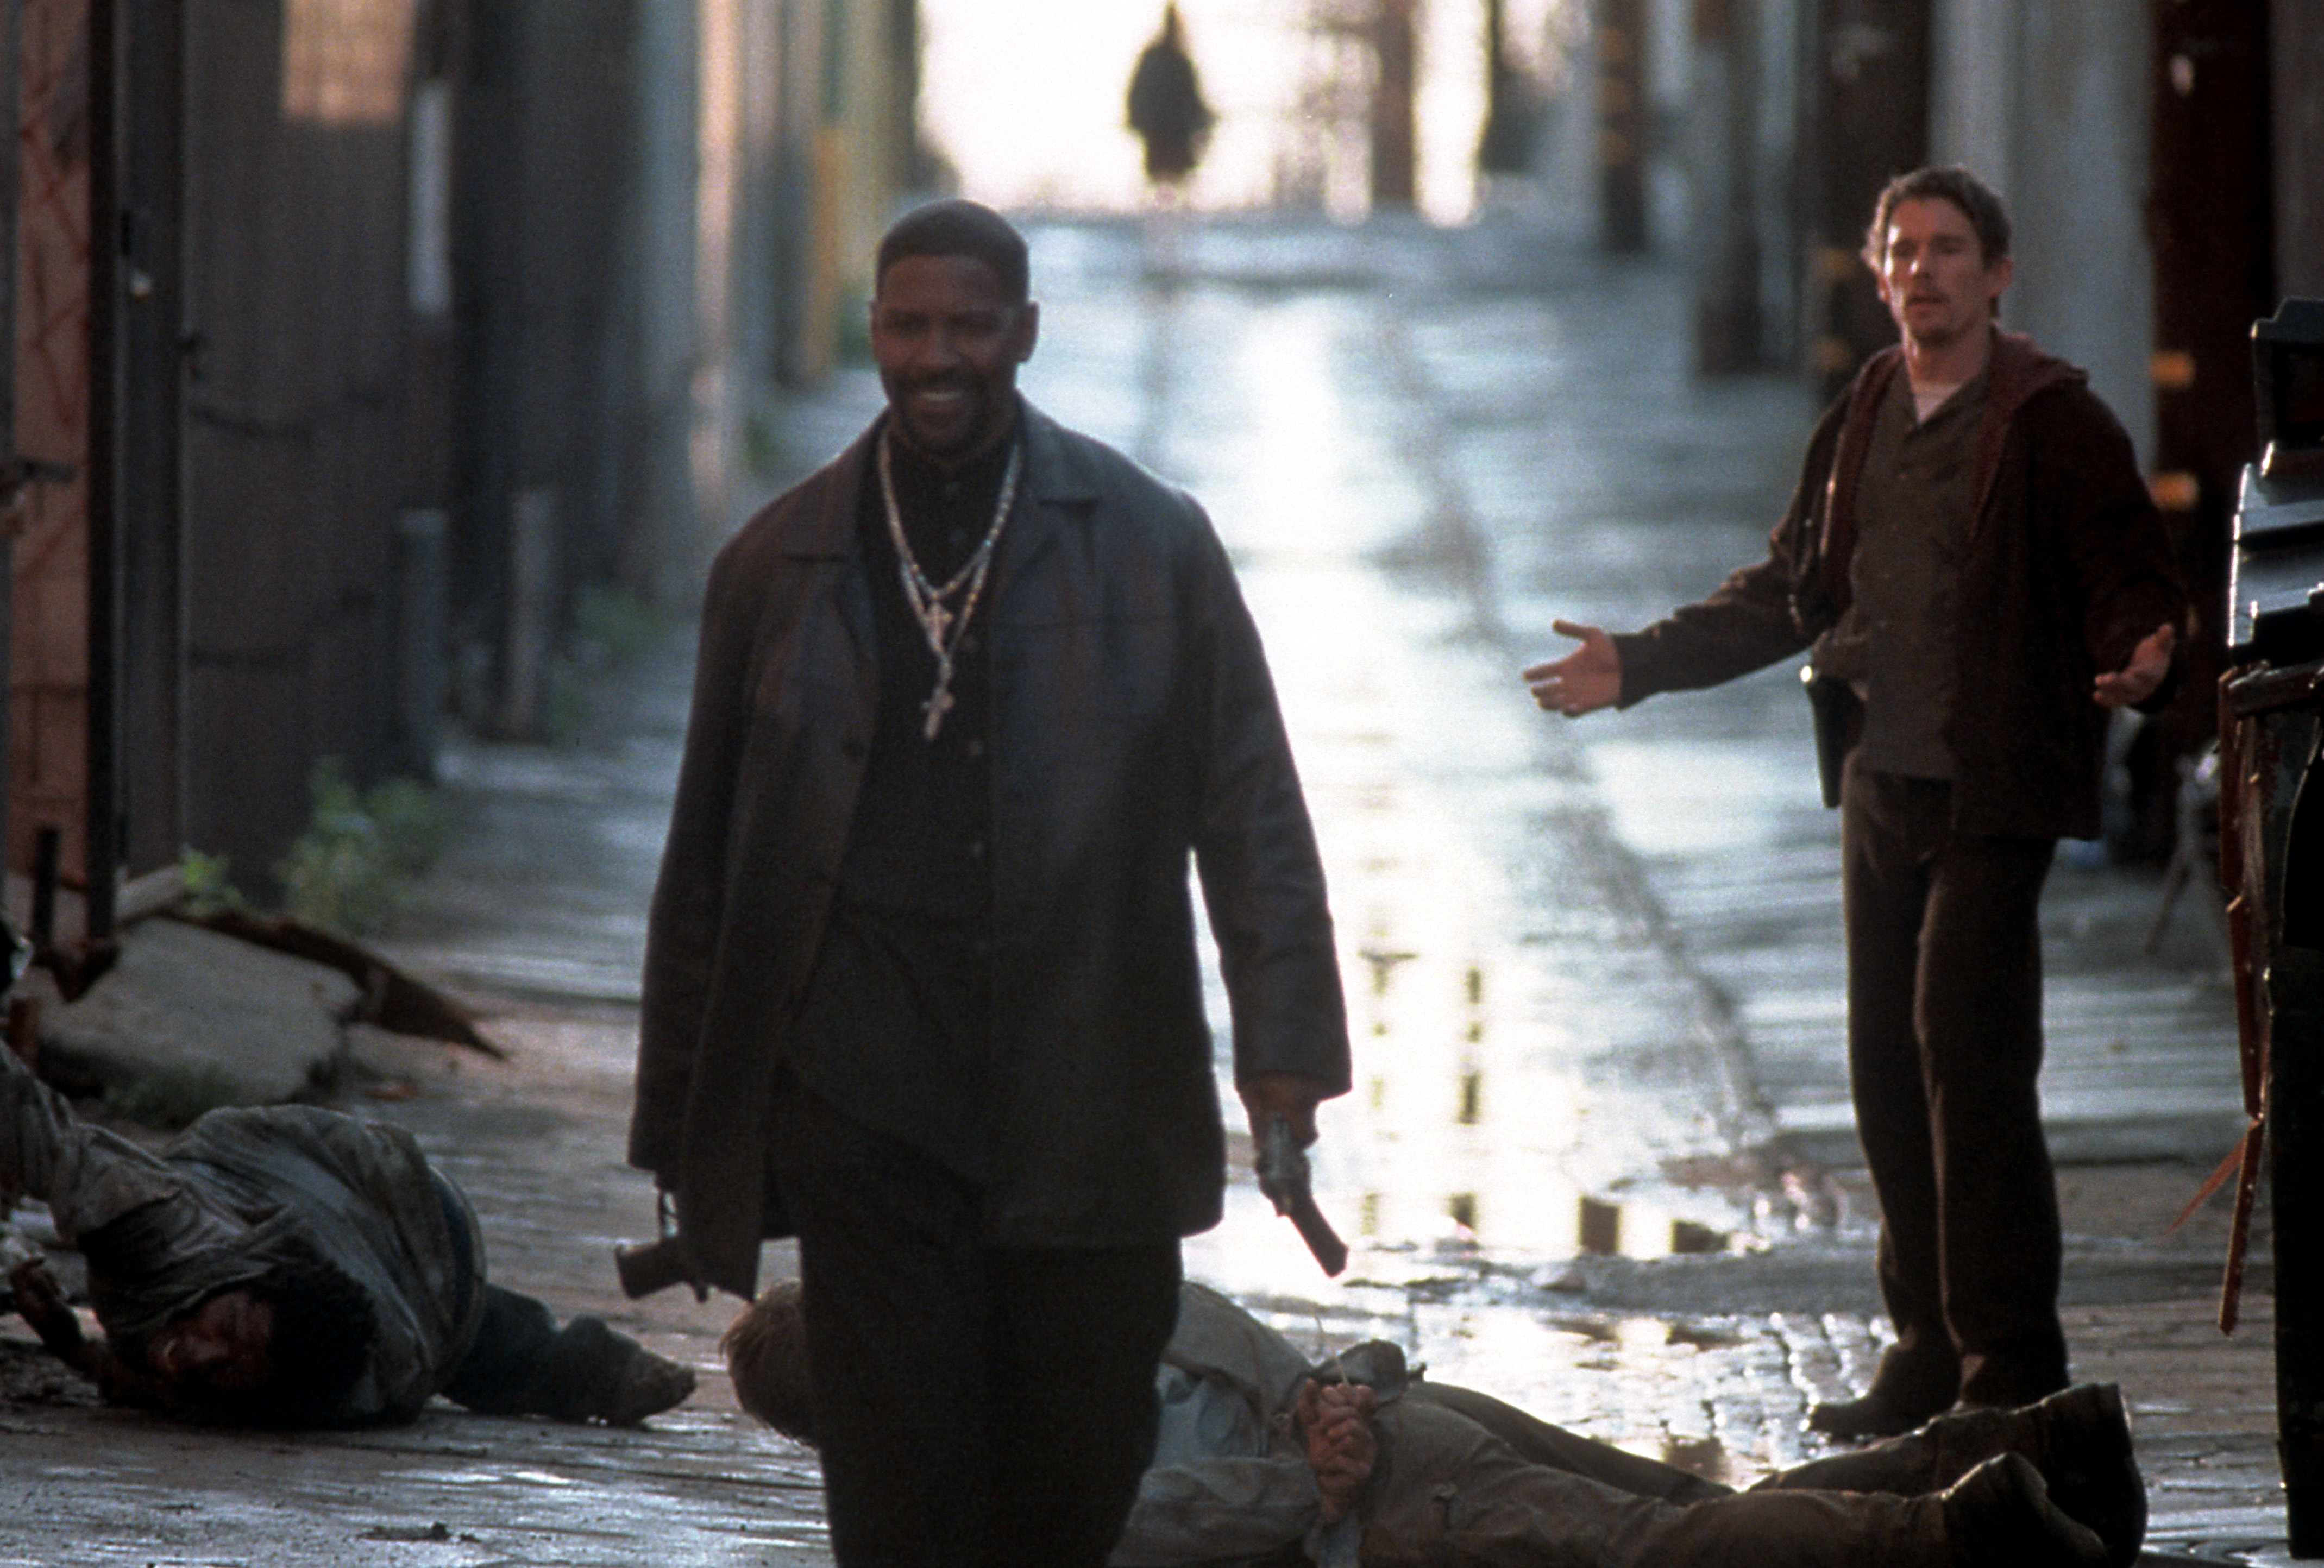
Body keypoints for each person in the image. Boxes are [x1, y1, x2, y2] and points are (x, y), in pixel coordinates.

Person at [630, 198, 1350, 1566]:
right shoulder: (775, 565)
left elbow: (1254, 812)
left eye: (968, 326)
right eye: (909, 326)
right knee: (900, 1480)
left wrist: (1286, 1066)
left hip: (1093, 1083)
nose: (937, 356)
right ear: (875, 331)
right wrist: (680, 1125)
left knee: (1074, 1468)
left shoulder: (1152, 542)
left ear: (1023, 332)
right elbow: (705, 870)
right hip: (863, 1101)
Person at [1523, 166, 2187, 1440]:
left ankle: (2011, 1362)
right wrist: (1640, 663)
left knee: (1967, 1056)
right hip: (1881, 779)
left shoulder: (2054, 423)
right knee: (1885, 1069)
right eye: (1904, 250)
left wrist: (2143, 652)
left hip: (1994, 786)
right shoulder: (1865, 412)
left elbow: (2127, 574)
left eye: (1949, 249)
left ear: (1997, 274)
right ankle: (1926, 1349)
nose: (1924, 270)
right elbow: (1789, 589)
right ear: (1879, 276)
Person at [724, 1277, 2146, 1568]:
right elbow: (1172, 1298)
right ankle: (2029, 1440)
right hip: (1407, 1411)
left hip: (1396, 1503)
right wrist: (1312, 1385)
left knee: (1667, 1547)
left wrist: (1313, 1470)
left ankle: (1960, 1529)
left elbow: (1164, 1518)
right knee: (1688, 1510)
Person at [0, 1043, 694, 1428]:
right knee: (487, 1342)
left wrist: (72, 1347)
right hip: (398, 1208)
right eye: (227, 1325)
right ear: (250, 1275)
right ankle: (588, 1364)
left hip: (414, 1279)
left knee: (477, 1347)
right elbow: (39, 1131)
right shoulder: (157, 1226)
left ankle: (588, 1365)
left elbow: (165, 1391)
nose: (197, 1352)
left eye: (227, 1365)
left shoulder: (312, 1388)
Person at [1127, 6, 1215, 190]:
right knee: (1167, 183)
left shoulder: (1170, 60)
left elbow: (1192, 100)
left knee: (1167, 183)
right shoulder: (1173, 61)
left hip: (1169, 136)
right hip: (1166, 135)